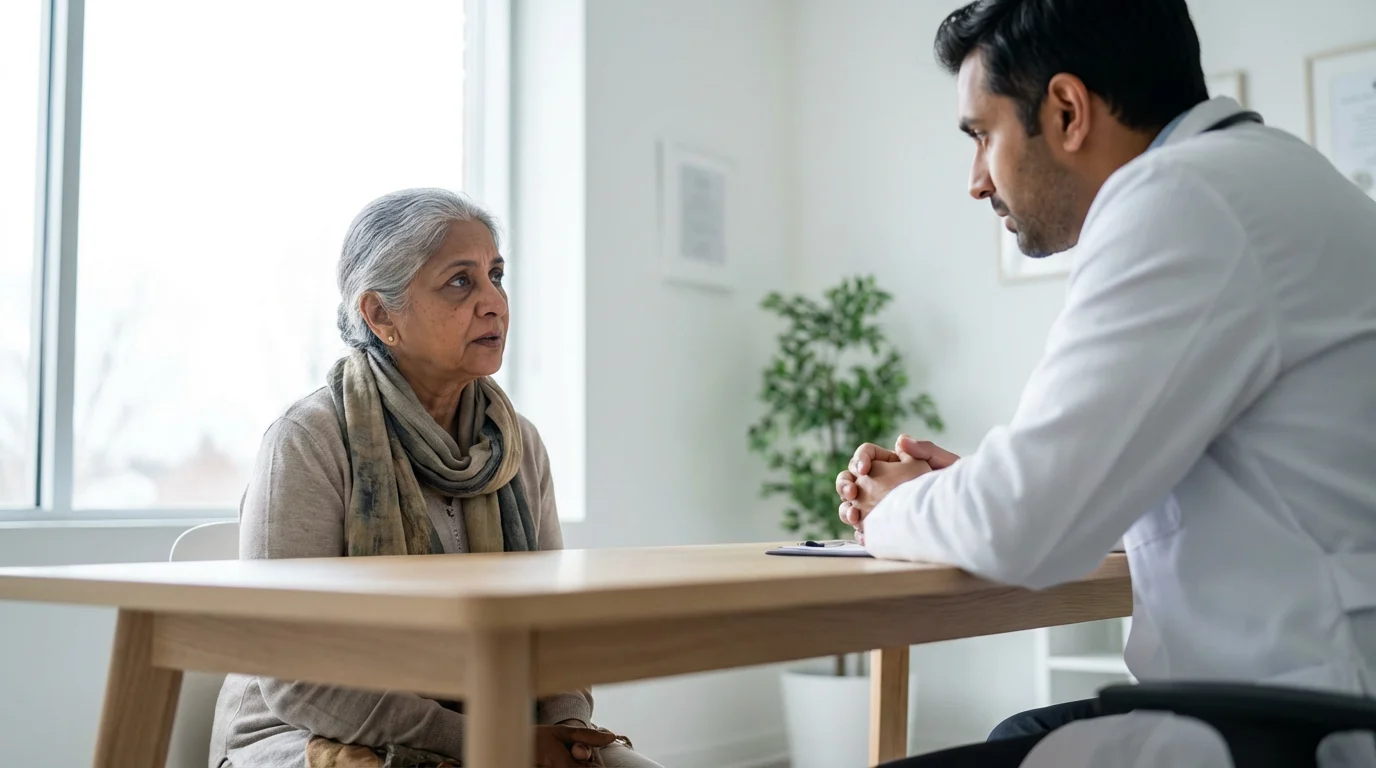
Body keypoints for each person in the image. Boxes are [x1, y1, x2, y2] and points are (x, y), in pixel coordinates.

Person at [834, 0, 1376, 766]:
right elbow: (1201, 485)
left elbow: (1022, 527)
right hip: (1307, 695)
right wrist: (993, 485)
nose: (976, 180)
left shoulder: (1185, 199)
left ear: (1065, 110)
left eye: (982, 135)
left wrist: (894, 507)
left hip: (1292, 723)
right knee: (1015, 738)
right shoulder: (1273, 178)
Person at [209, 189, 661, 768]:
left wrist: (567, 729)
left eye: (496, 275)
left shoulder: (518, 445)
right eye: (460, 282)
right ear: (380, 314)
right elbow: (297, 680)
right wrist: (493, 744)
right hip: (301, 735)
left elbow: (553, 638)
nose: (495, 301)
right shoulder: (309, 439)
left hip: (498, 725)